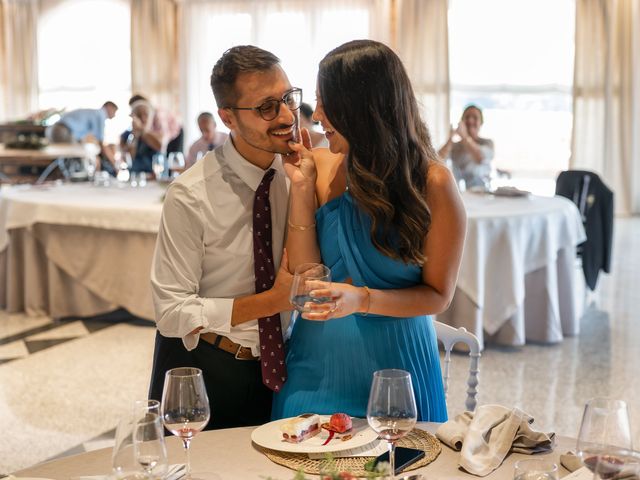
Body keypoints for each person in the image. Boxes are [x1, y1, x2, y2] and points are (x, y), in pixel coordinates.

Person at [272, 40, 467, 422]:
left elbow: (438, 295)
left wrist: (361, 300)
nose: (319, 116)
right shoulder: (322, 166)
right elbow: (307, 272)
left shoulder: (433, 184)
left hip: (397, 369)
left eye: (328, 103)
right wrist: (300, 187)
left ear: (365, 109)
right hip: (315, 367)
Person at [149, 45, 299, 429]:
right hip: (208, 368)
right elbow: (171, 312)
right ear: (228, 117)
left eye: (288, 98)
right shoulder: (191, 193)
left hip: (288, 368)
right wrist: (270, 302)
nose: (285, 116)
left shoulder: (300, 174)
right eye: (266, 107)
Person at [48, 101, 118, 170]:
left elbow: (83, 138)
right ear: (109, 107)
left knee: (68, 159)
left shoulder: (92, 113)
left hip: (52, 130)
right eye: (114, 111)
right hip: (63, 131)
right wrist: (114, 163)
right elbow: (100, 143)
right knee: (75, 159)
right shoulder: (100, 114)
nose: (114, 115)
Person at [438, 104, 494, 189]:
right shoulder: (455, 146)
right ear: (462, 122)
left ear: (481, 123)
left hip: (482, 194)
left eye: (475, 117)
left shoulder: (488, 143)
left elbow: (480, 158)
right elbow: (437, 161)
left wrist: (464, 137)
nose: (470, 121)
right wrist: (450, 140)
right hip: (460, 194)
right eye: (467, 117)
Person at [120, 99, 160, 173]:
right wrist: (135, 135)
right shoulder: (125, 135)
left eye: (146, 115)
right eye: (139, 115)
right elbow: (129, 159)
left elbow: (160, 146)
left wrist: (141, 129)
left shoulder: (157, 134)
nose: (143, 119)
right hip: (134, 177)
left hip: (154, 176)